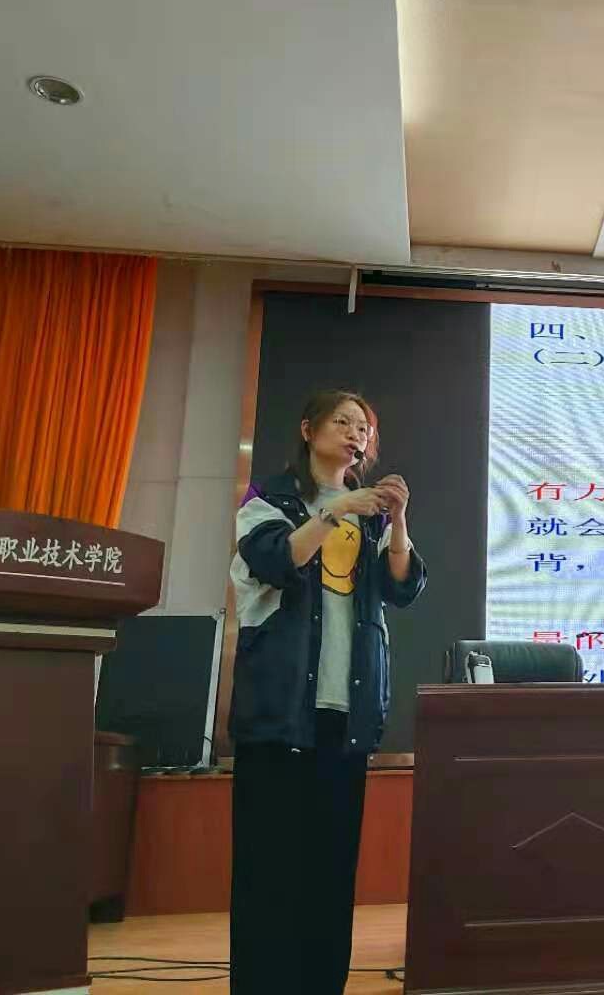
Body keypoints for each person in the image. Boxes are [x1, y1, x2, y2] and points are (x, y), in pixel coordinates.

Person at [227, 389, 426, 994]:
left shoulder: (371, 517)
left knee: (331, 872)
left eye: (364, 427)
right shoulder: (270, 500)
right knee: (268, 869)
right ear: (309, 429)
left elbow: (401, 587)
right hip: (279, 713)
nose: (356, 433)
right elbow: (275, 561)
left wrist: (396, 521)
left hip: (346, 716)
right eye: (343, 422)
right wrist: (336, 510)